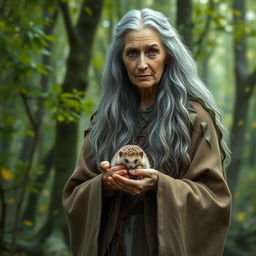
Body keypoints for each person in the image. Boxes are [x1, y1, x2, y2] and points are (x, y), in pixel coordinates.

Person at [63, 8, 231, 256]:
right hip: (112, 245)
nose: (142, 64)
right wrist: (104, 186)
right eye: (132, 53)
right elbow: (75, 193)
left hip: (164, 245)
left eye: (152, 51)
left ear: (168, 56)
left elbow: (214, 198)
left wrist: (160, 185)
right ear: (121, 59)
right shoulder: (104, 121)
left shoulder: (196, 119)